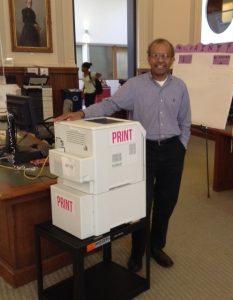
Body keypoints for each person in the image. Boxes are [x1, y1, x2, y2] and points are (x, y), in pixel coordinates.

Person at [55, 38, 191, 272]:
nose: (160, 60)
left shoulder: (180, 87)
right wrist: (82, 113)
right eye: (155, 55)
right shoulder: (135, 86)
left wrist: (182, 145)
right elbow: (111, 104)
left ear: (172, 60)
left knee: (167, 202)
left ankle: (156, 246)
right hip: (142, 150)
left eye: (165, 56)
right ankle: (138, 252)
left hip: (172, 150)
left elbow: (185, 121)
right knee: (140, 204)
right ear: (148, 58)